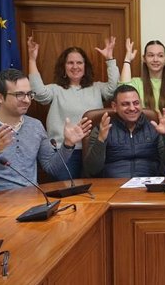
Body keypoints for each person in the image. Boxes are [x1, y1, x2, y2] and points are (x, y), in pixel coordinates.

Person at [0, 69, 91, 201]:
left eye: (29, 94)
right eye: (19, 94)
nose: (27, 100)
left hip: (31, 202)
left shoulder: (35, 126)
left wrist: (68, 144)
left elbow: (52, 168)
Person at [27, 36, 119, 179]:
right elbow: (38, 93)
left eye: (79, 63)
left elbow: (114, 88)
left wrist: (110, 59)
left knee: (97, 192)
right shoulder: (56, 90)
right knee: (68, 194)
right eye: (70, 63)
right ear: (64, 67)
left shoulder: (97, 88)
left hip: (94, 150)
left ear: (85, 66)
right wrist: (32, 60)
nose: (75, 67)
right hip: (65, 151)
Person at [121, 38, 165, 176]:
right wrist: (127, 60)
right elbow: (122, 89)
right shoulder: (137, 83)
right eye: (151, 55)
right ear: (144, 59)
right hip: (146, 143)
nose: (155, 59)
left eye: (160, 55)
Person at [83, 85, 165, 178]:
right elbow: (92, 170)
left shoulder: (154, 127)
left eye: (136, 103)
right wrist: (101, 140)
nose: (132, 108)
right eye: (125, 104)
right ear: (114, 106)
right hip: (112, 187)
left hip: (149, 186)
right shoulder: (102, 129)